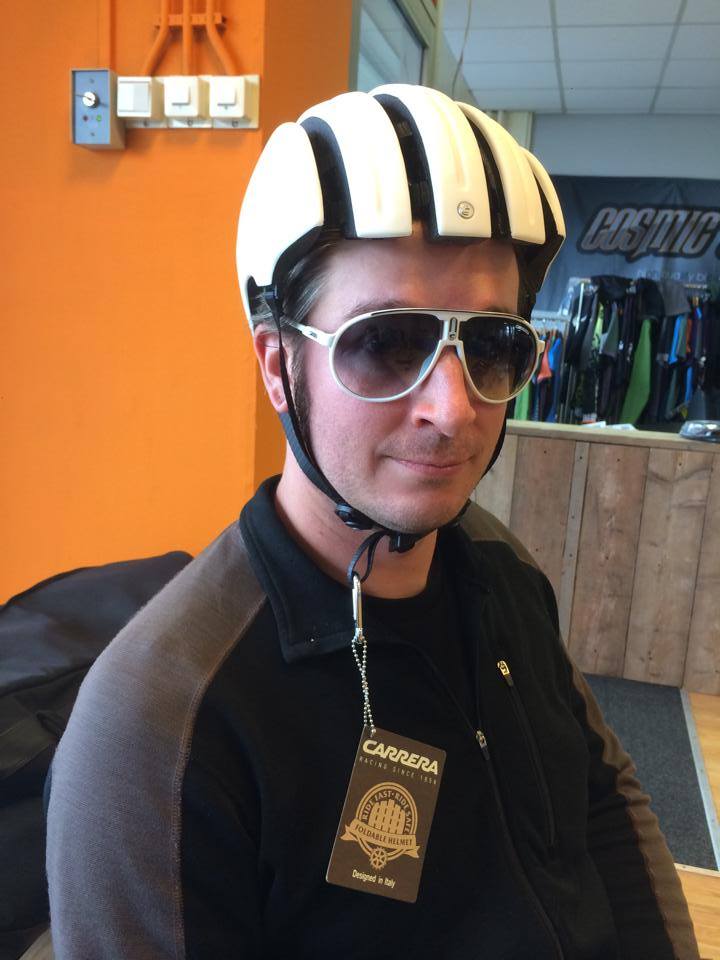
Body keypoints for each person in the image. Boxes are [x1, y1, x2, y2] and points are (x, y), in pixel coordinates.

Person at [46, 84, 699, 959]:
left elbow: (603, 801)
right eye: (388, 342)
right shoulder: (161, 724)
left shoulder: (495, 566)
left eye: (493, 345)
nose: (454, 408)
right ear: (278, 366)